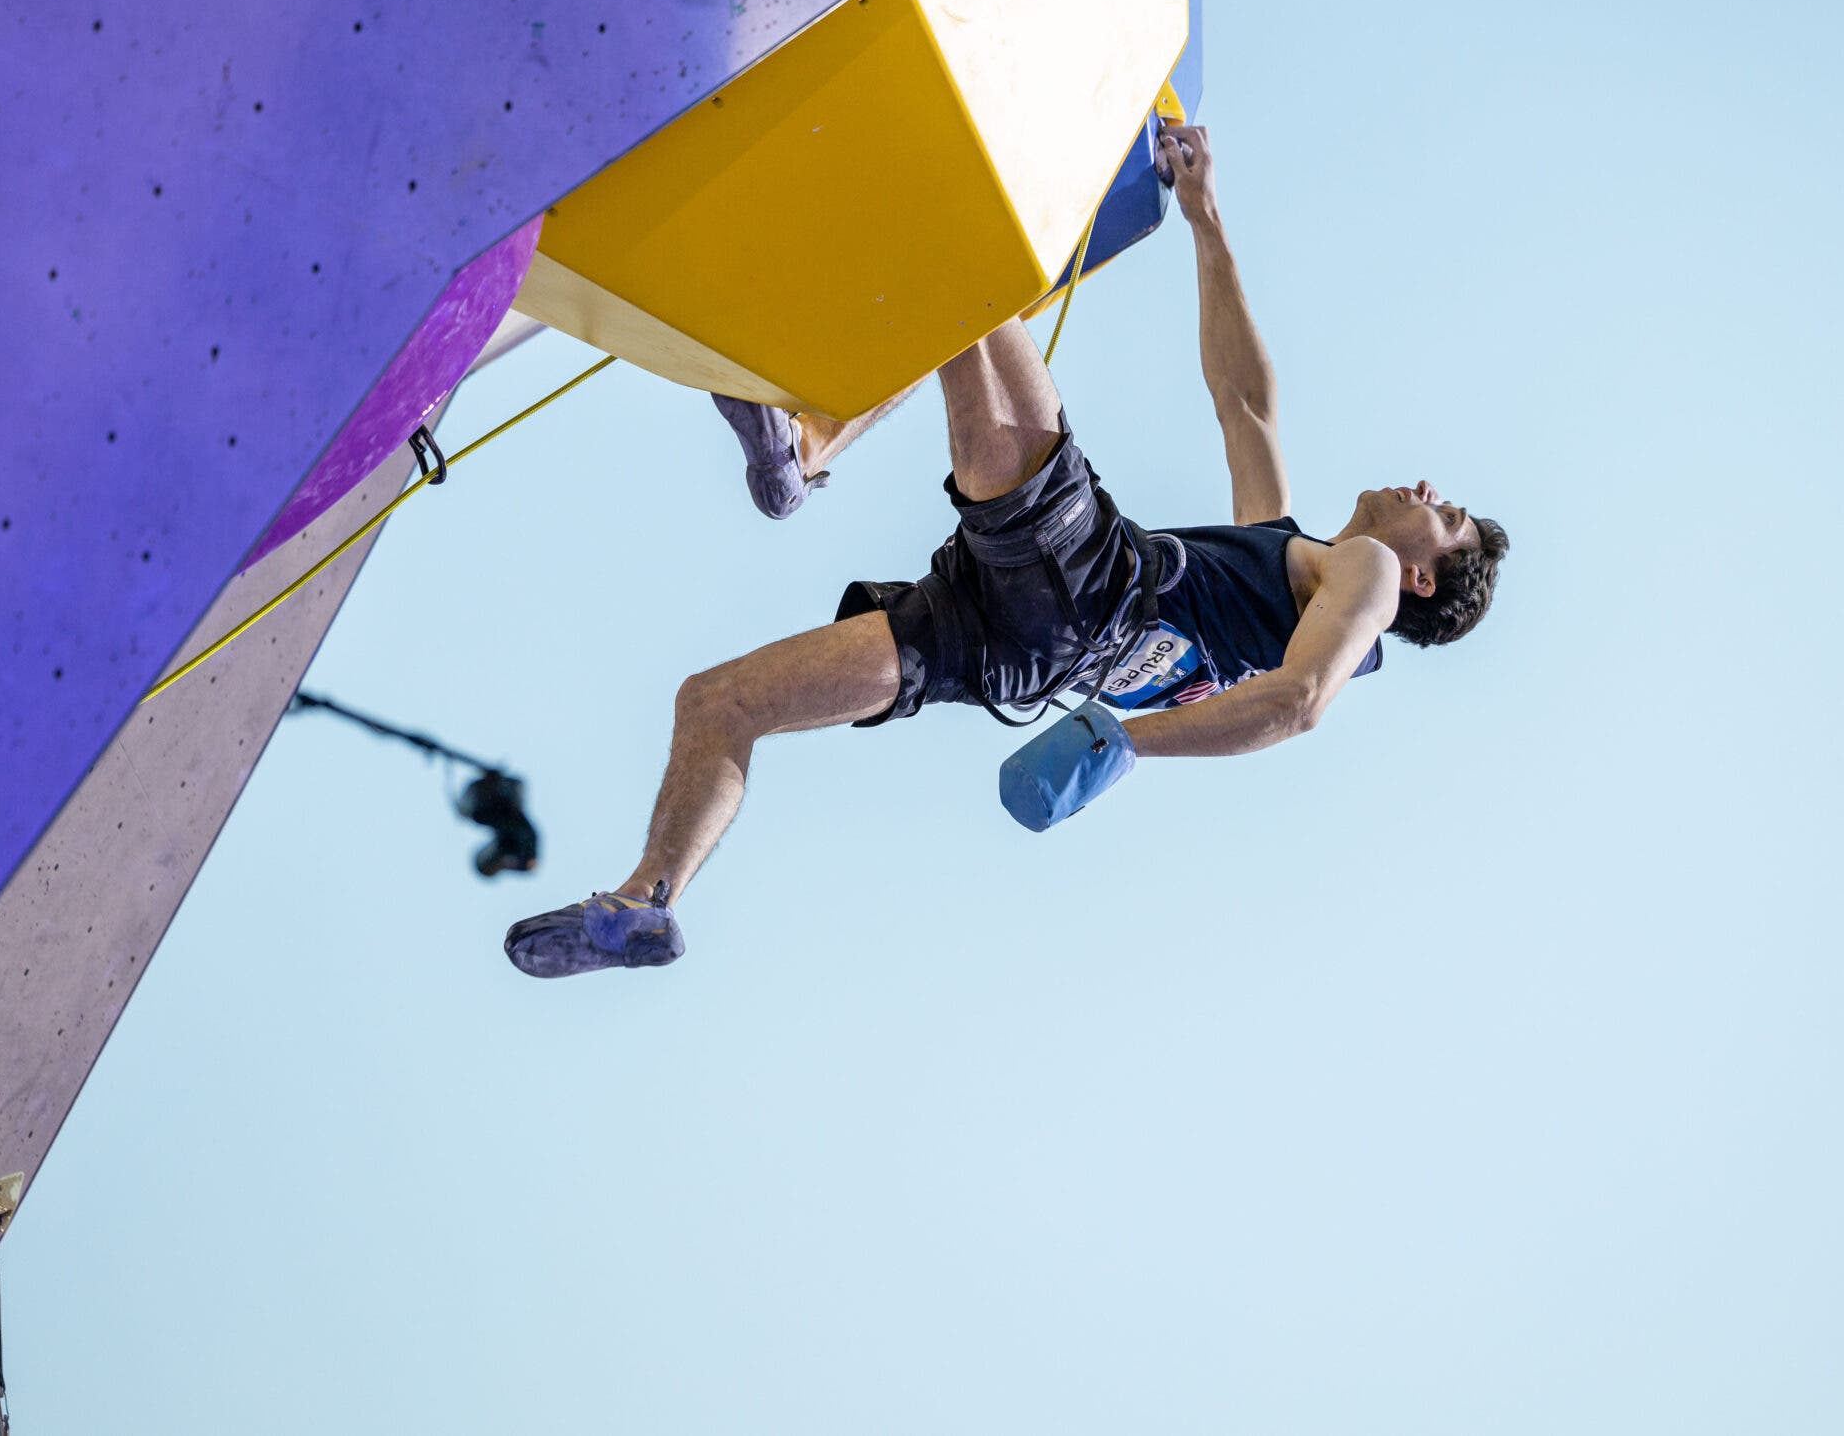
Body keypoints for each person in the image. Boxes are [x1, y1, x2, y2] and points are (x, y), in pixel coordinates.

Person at [505, 125, 1509, 978]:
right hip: (1011, 647)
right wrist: (1203, 216)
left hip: (1087, 594)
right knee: (717, 704)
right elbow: (1245, 400)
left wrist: (1124, 748)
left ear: (1418, 575)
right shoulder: (1291, 563)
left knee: (967, 273)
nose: (1427, 491)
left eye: (1446, 515)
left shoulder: (1363, 576)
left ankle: (806, 449)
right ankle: (646, 900)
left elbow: (1301, 704)